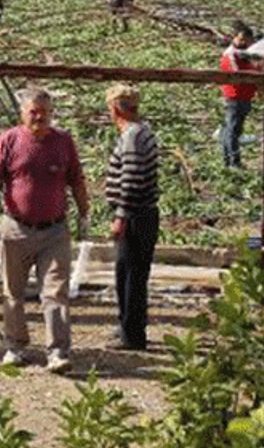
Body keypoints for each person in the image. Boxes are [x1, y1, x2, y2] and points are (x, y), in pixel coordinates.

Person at [0, 87, 90, 374]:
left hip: (53, 231)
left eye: (45, 113)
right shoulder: (9, 141)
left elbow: (77, 180)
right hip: (16, 229)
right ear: (23, 113)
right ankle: (15, 346)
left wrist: (84, 214)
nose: (39, 118)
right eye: (33, 112)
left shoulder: (63, 142)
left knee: (55, 292)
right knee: (13, 292)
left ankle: (57, 351)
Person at [104, 83, 160, 351]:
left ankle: (132, 335)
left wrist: (121, 216)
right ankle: (128, 327)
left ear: (115, 109)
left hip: (137, 214)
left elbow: (132, 179)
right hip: (141, 213)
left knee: (131, 276)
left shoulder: (133, 137)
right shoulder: (141, 132)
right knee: (128, 273)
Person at [219, 21, 258, 169]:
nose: (244, 43)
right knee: (232, 130)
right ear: (235, 38)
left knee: (234, 129)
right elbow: (237, 74)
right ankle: (233, 162)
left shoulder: (245, 54)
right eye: (241, 39)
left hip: (244, 96)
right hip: (235, 96)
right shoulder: (231, 55)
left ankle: (231, 160)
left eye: (246, 40)